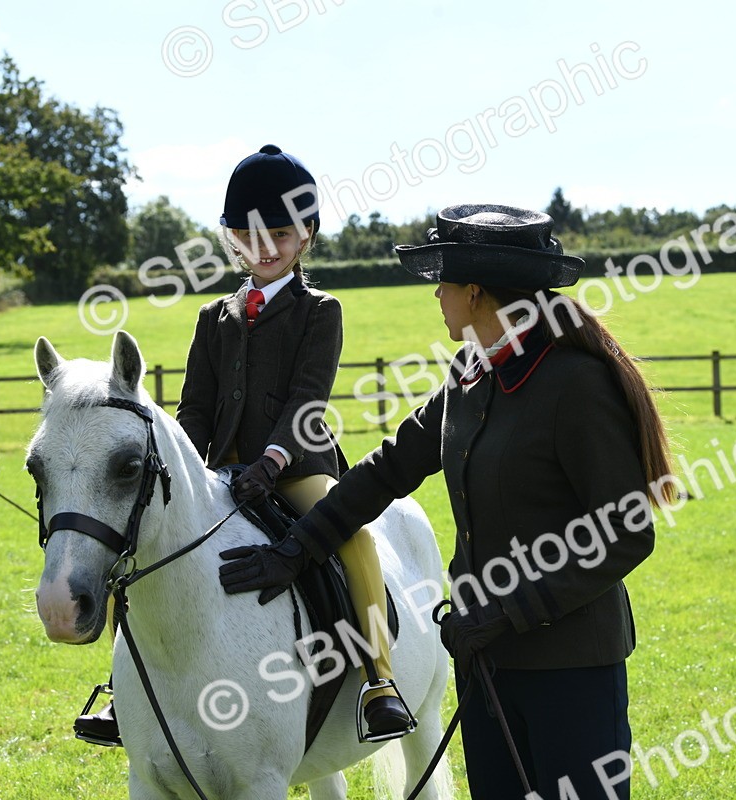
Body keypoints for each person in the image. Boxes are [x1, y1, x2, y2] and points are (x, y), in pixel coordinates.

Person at [218, 204, 674, 798]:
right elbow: (385, 470)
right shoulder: (469, 374)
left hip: (571, 666)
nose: (437, 295)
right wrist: (297, 548)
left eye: (444, 281)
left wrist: (505, 611)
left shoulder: (575, 384)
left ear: (476, 293)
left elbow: (628, 532)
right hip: (486, 663)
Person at [74, 144, 413, 746]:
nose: (266, 247)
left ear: (306, 235)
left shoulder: (320, 312)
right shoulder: (213, 316)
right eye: (250, 234)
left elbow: (308, 399)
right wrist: (192, 465)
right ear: (231, 237)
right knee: (139, 542)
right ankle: (122, 693)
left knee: (355, 538)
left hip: (295, 468)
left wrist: (273, 460)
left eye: (281, 233)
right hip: (221, 472)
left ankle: (379, 680)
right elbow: (196, 407)